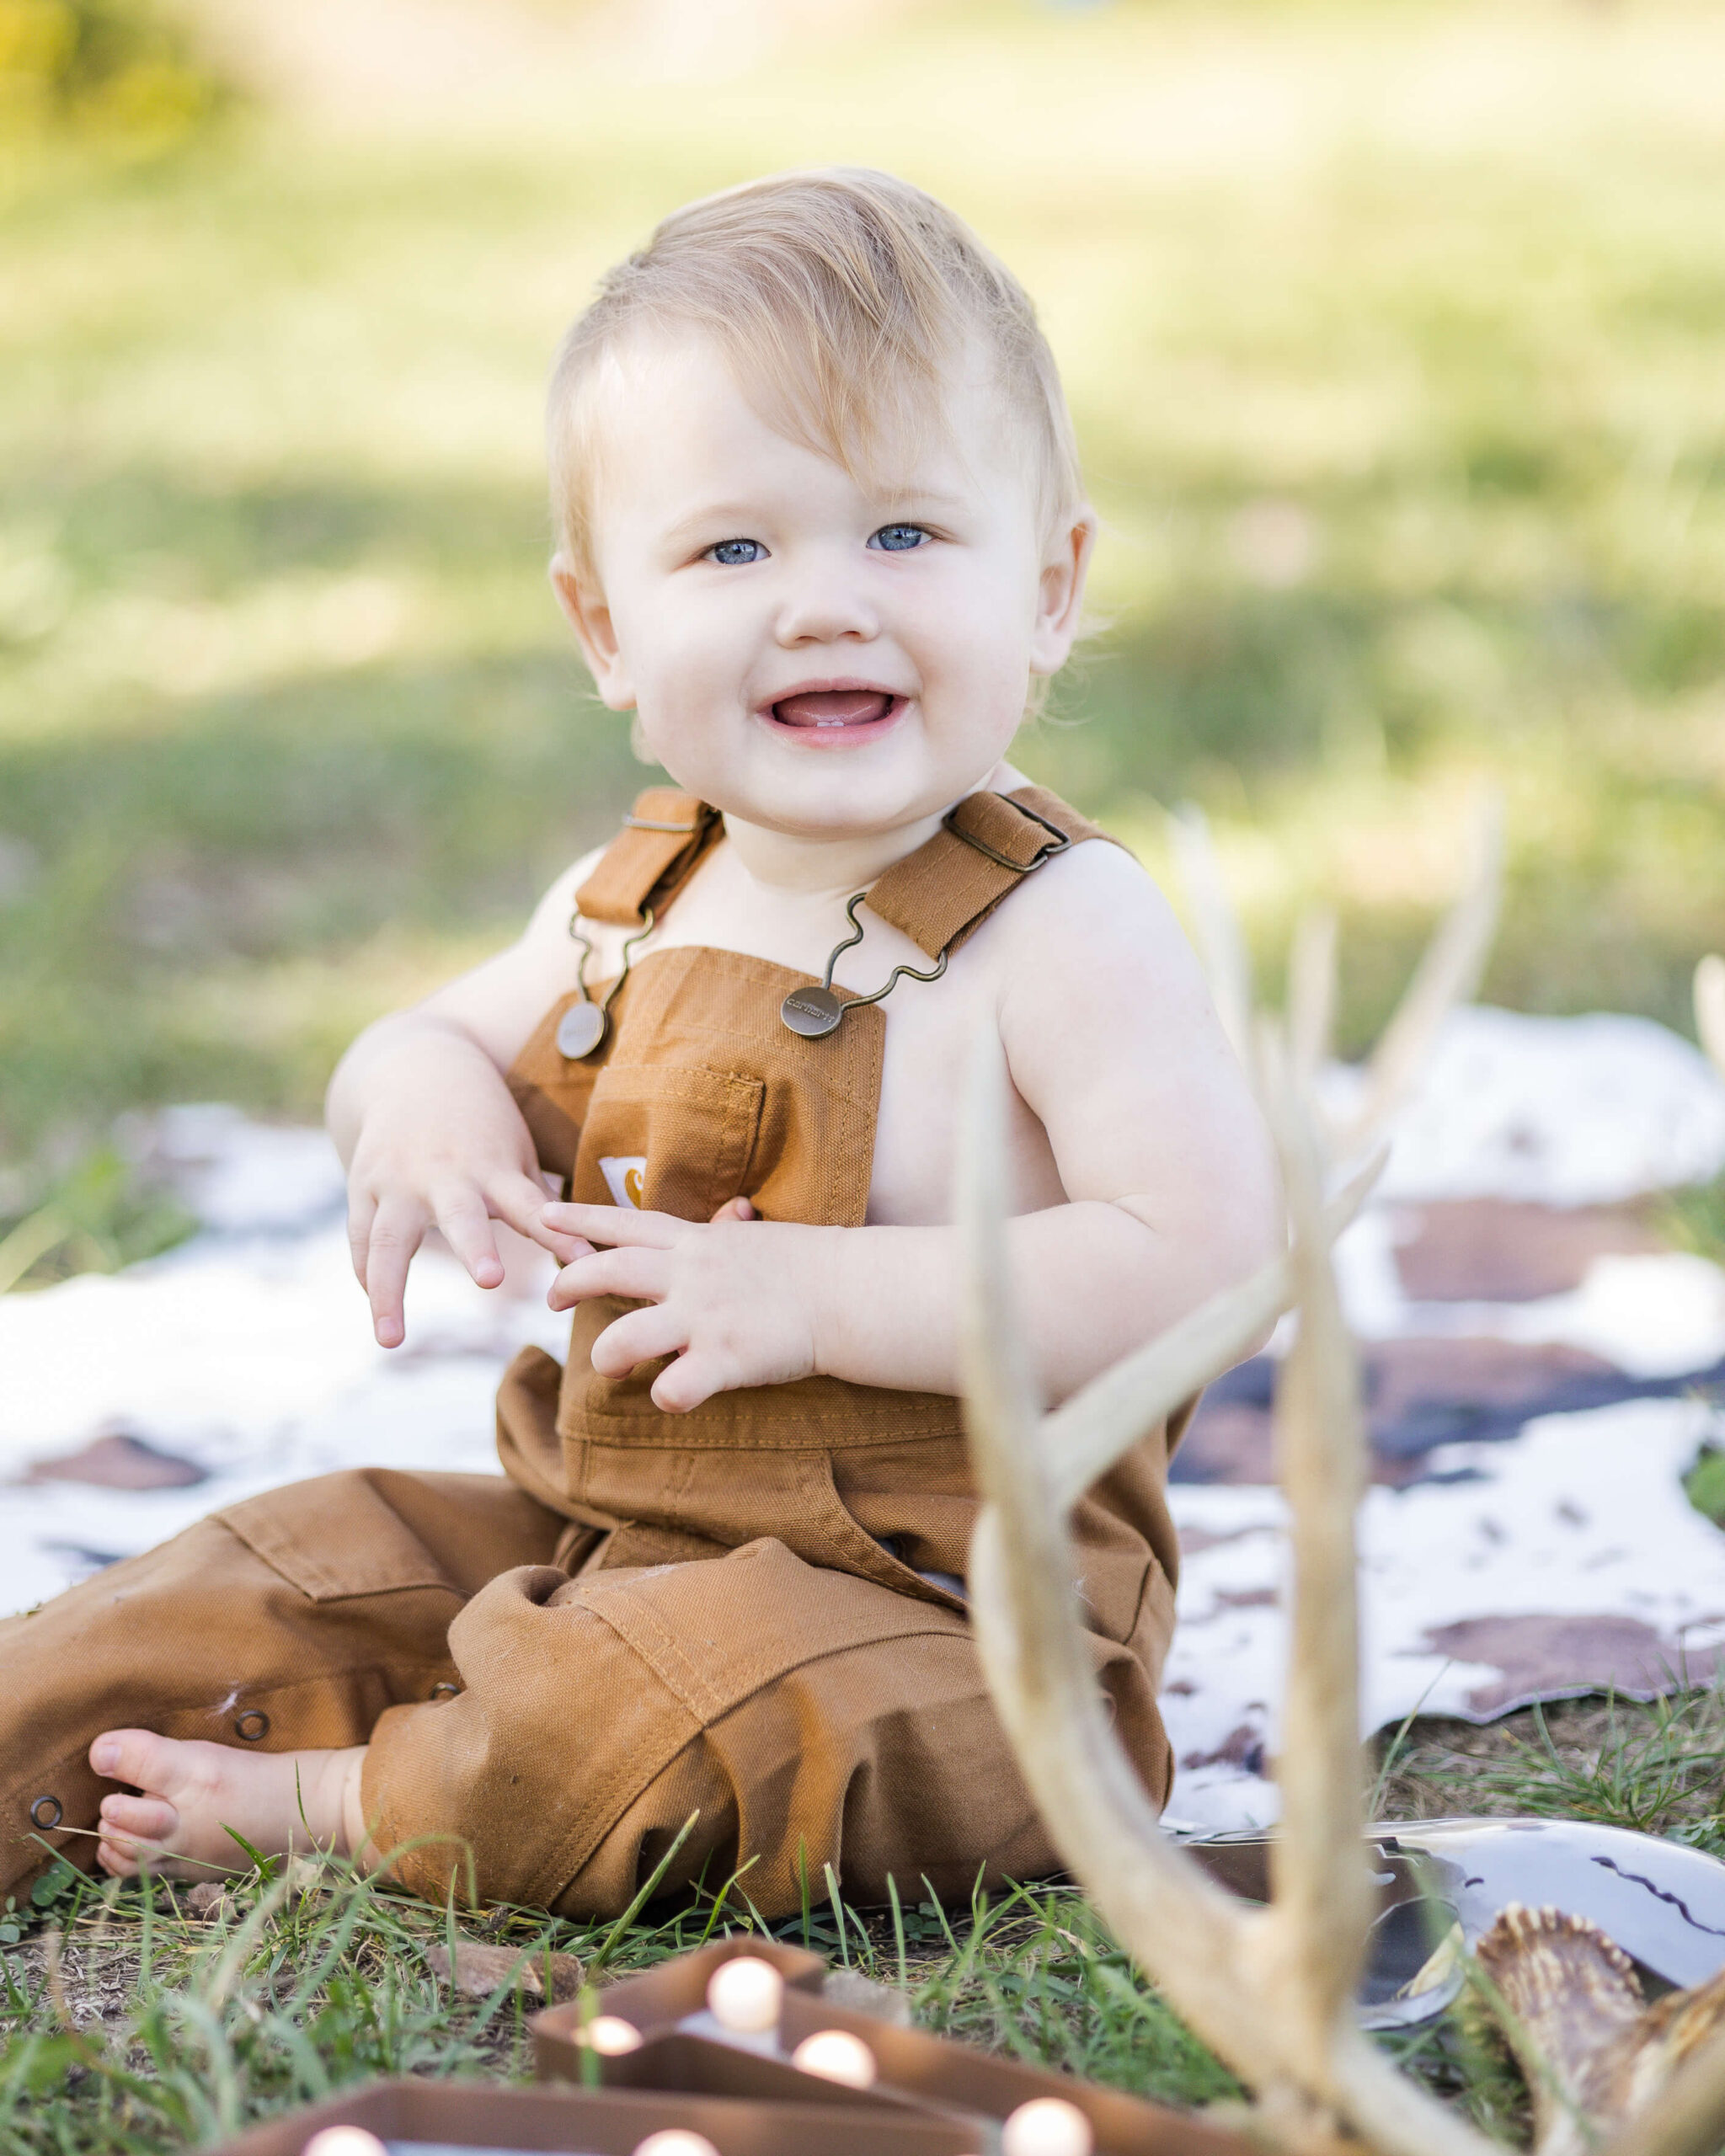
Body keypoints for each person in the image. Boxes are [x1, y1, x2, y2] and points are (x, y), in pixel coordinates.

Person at [3, 169, 1279, 1920]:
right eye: (731, 548)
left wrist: (818, 1302)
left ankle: (346, 1795)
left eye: (903, 533)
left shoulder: (1058, 929)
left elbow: (1206, 1257)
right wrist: (428, 1104)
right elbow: (416, 1035)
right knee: (271, 1570)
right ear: (605, 625)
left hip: (954, 1623)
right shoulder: (633, 895)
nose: (823, 601)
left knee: (676, 1710)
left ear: (1050, 587)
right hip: (597, 1537)